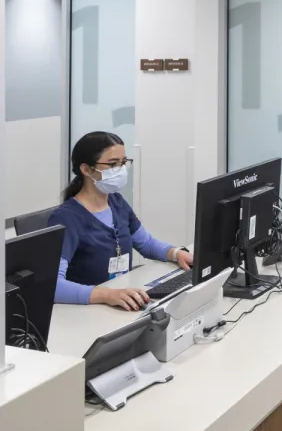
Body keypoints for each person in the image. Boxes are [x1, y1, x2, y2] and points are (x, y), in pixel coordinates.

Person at [49, 132, 193, 311]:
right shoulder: (66, 218)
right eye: (112, 164)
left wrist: (176, 253)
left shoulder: (116, 202)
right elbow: (53, 285)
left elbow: (146, 243)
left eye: (123, 162)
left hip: (119, 303)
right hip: (86, 310)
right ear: (86, 170)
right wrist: (105, 295)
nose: (121, 169)